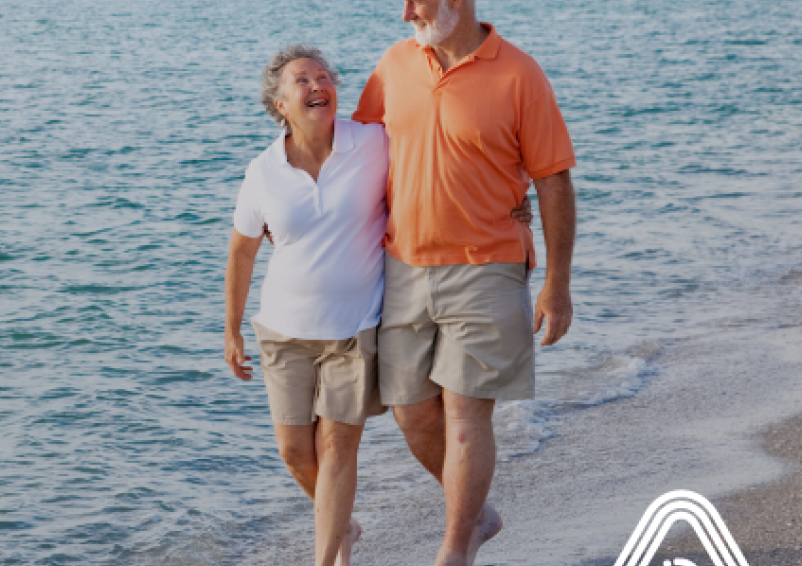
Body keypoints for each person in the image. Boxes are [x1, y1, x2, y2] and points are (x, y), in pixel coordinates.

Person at [224, 44, 533, 566]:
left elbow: (442, 150)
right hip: (282, 330)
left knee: (338, 447)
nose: (318, 84)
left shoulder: (371, 142)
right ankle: (341, 526)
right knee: (295, 452)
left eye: (325, 76)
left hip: (355, 329)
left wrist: (511, 194)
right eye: (302, 80)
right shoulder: (263, 171)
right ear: (279, 103)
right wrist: (231, 329)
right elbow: (242, 248)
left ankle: (331, 558)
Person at [350, 0, 579, 564]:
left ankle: (455, 549)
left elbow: (553, 180)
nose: (406, 14)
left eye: (416, 1)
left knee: (464, 414)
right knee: (410, 412)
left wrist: (557, 283)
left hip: (489, 266)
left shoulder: (519, 74)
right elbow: (356, 157)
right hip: (401, 266)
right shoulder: (393, 65)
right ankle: (476, 515)